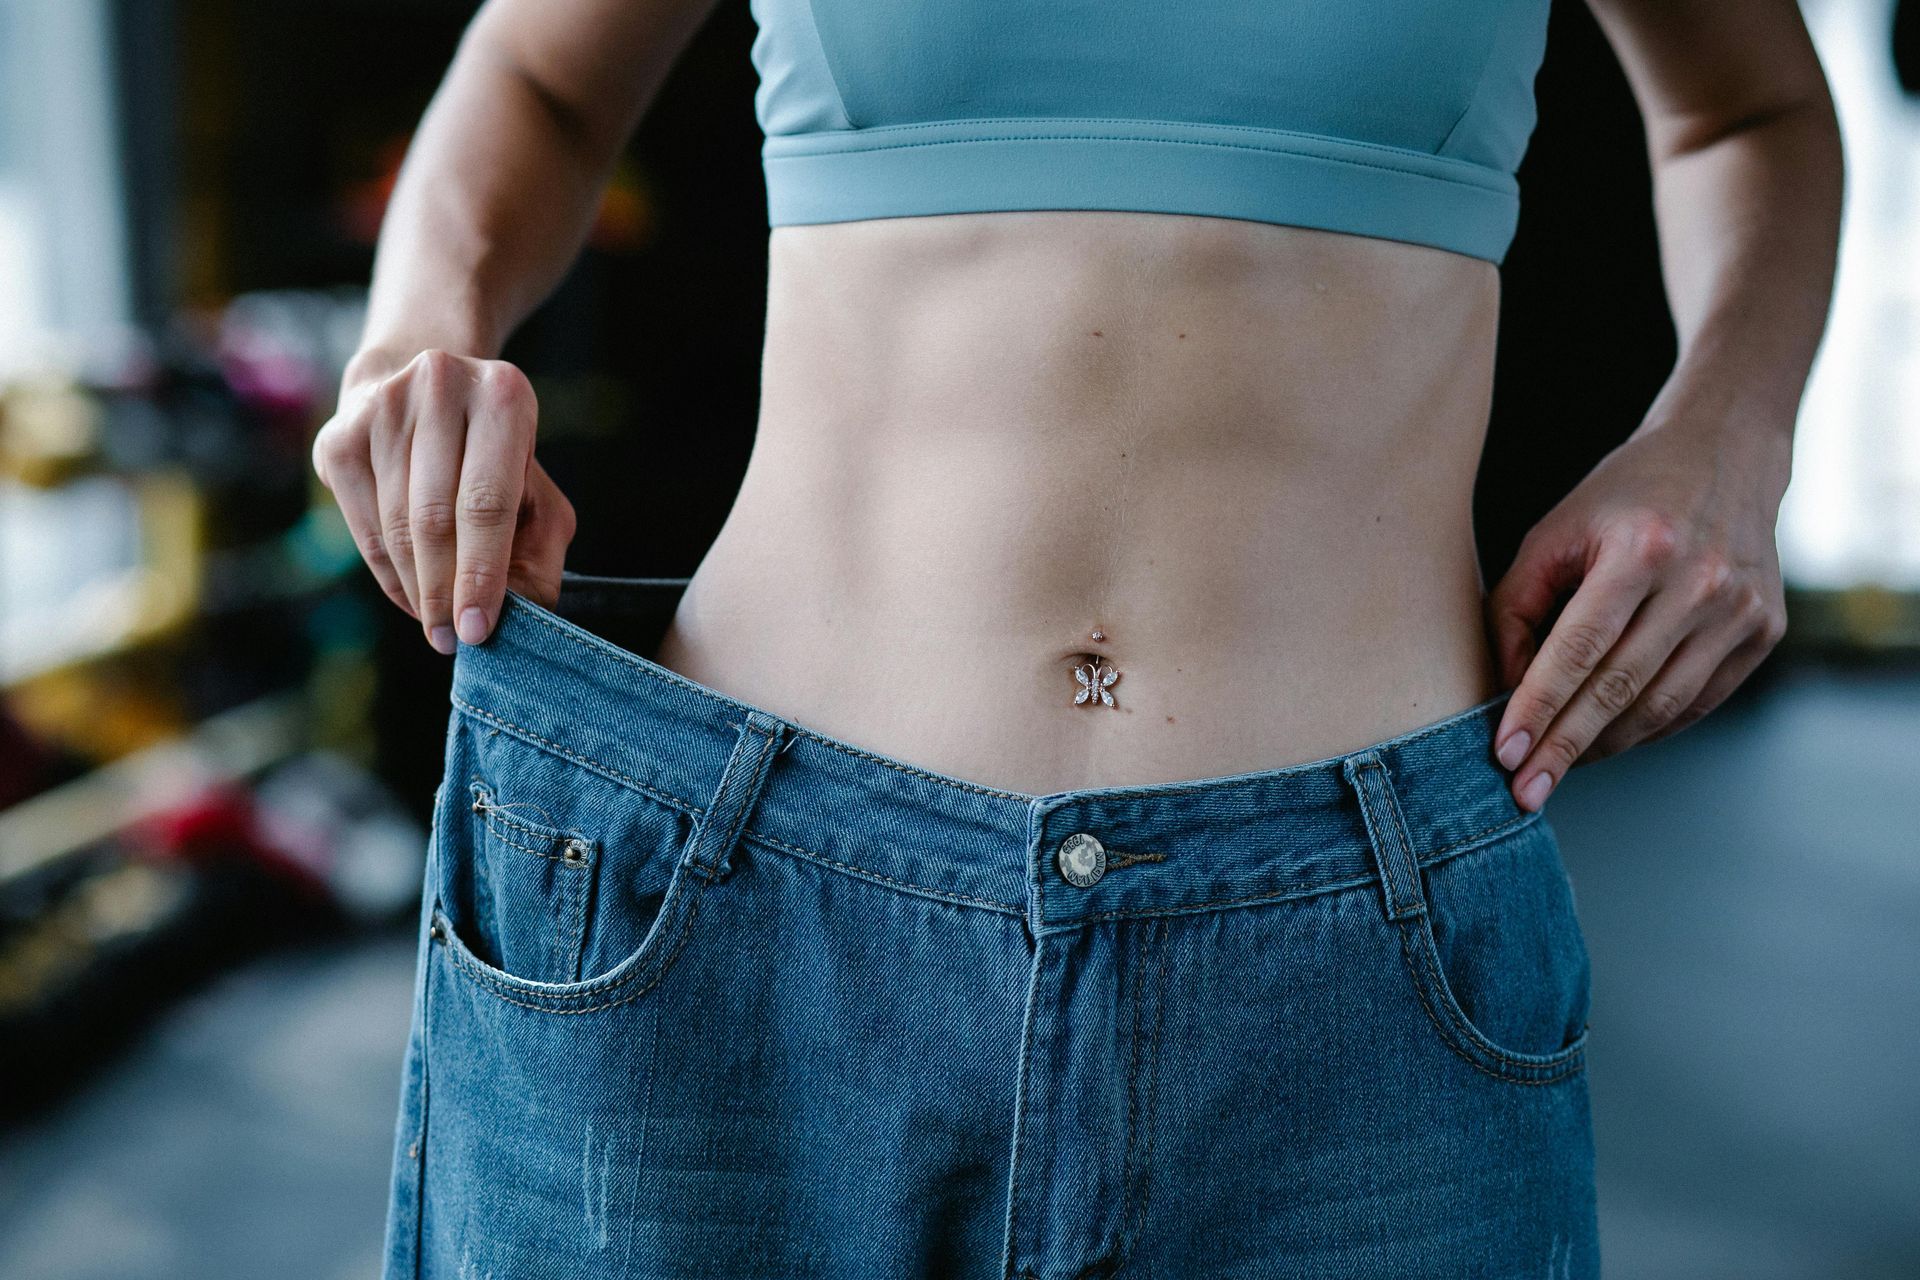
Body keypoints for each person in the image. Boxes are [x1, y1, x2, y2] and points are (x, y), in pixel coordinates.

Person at [312, 1, 1842, 1275]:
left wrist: (1729, 435)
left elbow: (1749, 110)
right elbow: (537, 76)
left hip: (1358, 957)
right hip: (740, 927)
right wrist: (412, 337)